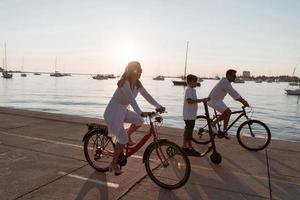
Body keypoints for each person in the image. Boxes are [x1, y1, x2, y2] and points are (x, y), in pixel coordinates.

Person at [104, 61, 165, 175]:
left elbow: (147, 95)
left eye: (141, 70)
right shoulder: (125, 83)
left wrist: (158, 106)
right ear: (131, 71)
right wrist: (140, 111)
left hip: (122, 110)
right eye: (138, 70)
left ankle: (127, 135)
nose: (140, 72)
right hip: (113, 110)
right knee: (122, 139)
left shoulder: (137, 84)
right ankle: (113, 163)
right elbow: (131, 99)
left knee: (139, 120)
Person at [207, 69, 249, 138]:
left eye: (235, 75)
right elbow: (233, 93)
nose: (235, 77)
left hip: (217, 100)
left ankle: (224, 131)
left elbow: (235, 92)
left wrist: (243, 100)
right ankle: (213, 124)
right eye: (233, 75)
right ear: (228, 76)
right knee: (228, 112)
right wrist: (243, 102)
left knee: (228, 113)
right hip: (213, 100)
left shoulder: (226, 82)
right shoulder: (224, 82)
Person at [182, 74, 210, 156]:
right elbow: (189, 101)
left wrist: (203, 99)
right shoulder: (189, 90)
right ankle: (189, 147)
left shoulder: (192, 90)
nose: (196, 83)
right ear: (190, 82)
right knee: (189, 132)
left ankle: (184, 146)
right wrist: (201, 100)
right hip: (189, 115)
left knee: (187, 130)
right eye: (195, 82)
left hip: (191, 114)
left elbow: (192, 100)